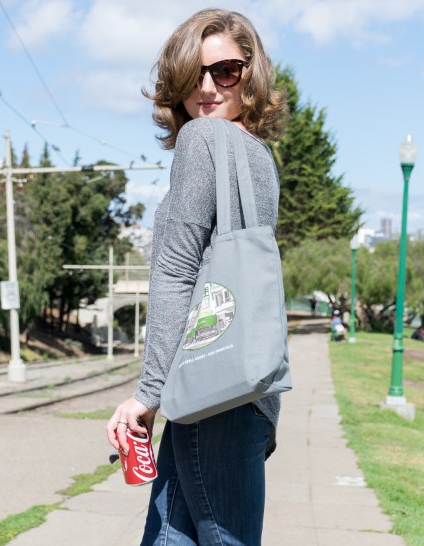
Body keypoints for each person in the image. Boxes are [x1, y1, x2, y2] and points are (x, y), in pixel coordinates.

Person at [106, 8, 287, 545]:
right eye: (192, 76)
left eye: (225, 71)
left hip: (209, 393)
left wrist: (148, 393)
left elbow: (175, 270)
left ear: (250, 74)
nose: (207, 88)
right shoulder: (259, 156)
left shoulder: (202, 140)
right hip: (244, 392)